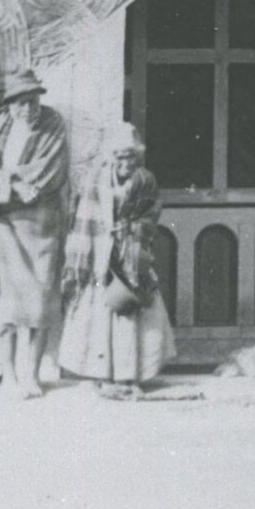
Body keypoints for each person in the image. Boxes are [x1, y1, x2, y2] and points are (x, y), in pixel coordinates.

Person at [0, 70, 71, 397]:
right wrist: (10, 185)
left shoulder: (53, 124)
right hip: (5, 225)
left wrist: (12, 183)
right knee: (6, 306)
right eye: (21, 102)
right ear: (10, 104)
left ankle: (32, 374)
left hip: (41, 224)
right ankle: (10, 374)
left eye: (33, 100)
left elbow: (51, 170)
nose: (28, 108)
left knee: (40, 303)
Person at [58, 122, 176, 395]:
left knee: (131, 308)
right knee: (98, 310)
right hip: (100, 255)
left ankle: (129, 374)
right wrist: (82, 261)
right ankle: (102, 374)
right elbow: (83, 219)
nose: (126, 162)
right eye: (120, 156)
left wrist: (134, 230)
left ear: (138, 157)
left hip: (132, 252)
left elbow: (151, 215)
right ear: (111, 156)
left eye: (131, 156)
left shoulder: (145, 180)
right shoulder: (94, 180)